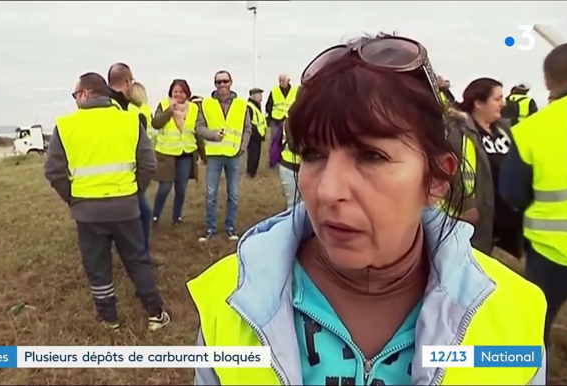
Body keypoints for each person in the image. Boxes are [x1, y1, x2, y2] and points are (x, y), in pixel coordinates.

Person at [187, 34, 546, 385]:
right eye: (312, 154)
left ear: (437, 179)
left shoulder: (512, 316)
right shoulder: (231, 300)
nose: (328, 191)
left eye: (371, 156)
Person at [44, 72, 170, 331]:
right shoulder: (130, 121)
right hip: (125, 207)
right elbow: (148, 164)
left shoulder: (66, 125)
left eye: (75, 94)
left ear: (86, 93)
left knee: (97, 265)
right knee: (137, 260)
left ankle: (109, 319)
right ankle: (155, 313)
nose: (75, 100)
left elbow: (53, 171)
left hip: (87, 211)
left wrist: (74, 199)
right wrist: (134, 193)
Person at [500, 42, 567, 345]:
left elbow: (513, 194)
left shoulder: (532, 130)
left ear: (547, 82)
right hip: (548, 252)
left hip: (549, 252)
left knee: (535, 333)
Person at [447, 78, 523, 258]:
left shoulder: (505, 129)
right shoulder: (458, 132)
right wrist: (464, 204)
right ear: (479, 103)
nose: (503, 104)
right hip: (482, 216)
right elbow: (450, 171)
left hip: (511, 218)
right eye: (497, 99)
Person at [107, 63, 164, 267]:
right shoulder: (123, 108)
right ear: (128, 82)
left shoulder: (109, 103)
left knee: (138, 215)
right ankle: (139, 257)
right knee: (137, 216)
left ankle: (138, 254)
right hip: (122, 174)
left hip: (116, 171)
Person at [150, 79, 217, 226]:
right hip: (166, 154)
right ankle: (155, 215)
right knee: (165, 187)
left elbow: (197, 132)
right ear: (171, 92)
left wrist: (203, 154)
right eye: (175, 92)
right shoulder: (163, 104)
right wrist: (170, 111)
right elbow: (156, 123)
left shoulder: (193, 108)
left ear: (187, 93)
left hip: (186, 153)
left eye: (181, 92)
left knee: (181, 188)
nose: (178, 95)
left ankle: (177, 217)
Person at [196, 70, 252, 242]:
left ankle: (230, 227)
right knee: (211, 193)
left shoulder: (242, 105)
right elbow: (199, 128)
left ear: (230, 82)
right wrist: (212, 135)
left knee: (233, 194)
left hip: (234, 155)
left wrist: (242, 148)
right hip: (214, 155)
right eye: (218, 82)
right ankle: (210, 228)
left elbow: (247, 129)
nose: (222, 85)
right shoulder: (206, 104)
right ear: (215, 84)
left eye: (225, 81)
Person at [266, 73, 298, 168]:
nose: (281, 83)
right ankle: (273, 162)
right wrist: (271, 117)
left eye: (283, 80)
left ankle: (286, 161)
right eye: (280, 81)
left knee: (289, 140)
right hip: (277, 120)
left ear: (288, 80)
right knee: (275, 141)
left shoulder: (295, 91)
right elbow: (269, 105)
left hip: (290, 120)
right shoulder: (274, 91)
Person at [278, 118, 301, 209]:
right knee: (293, 205)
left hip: (306, 168)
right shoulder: (291, 122)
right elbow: (293, 146)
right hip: (289, 167)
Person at [246, 87, 267, 178]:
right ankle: (251, 173)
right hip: (253, 135)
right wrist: (256, 133)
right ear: (253, 96)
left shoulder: (256, 106)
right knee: (253, 154)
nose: (261, 97)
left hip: (258, 135)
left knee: (256, 154)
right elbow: (249, 122)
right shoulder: (249, 106)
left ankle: (253, 172)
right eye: (259, 95)